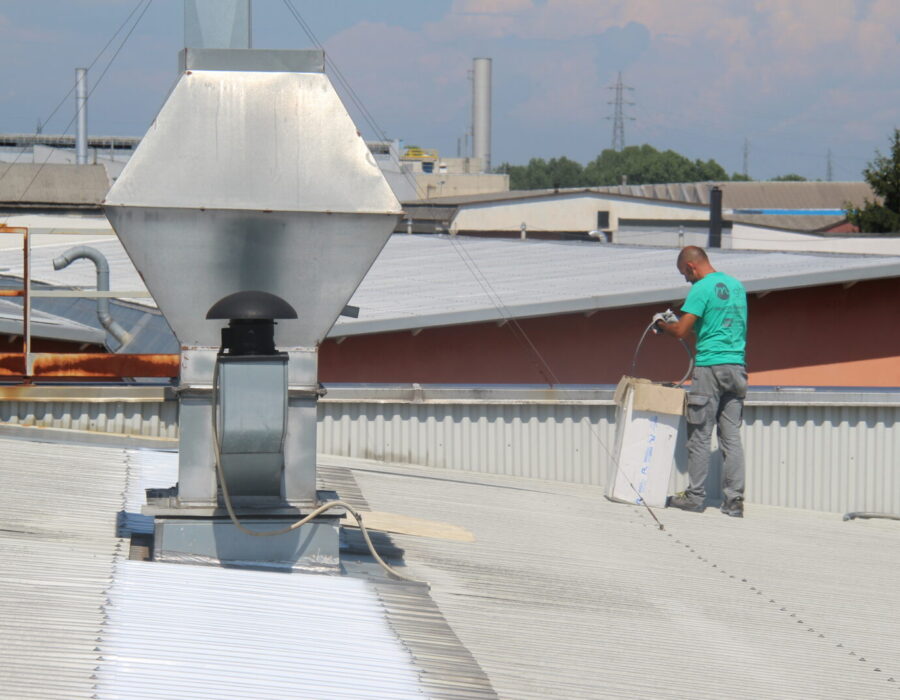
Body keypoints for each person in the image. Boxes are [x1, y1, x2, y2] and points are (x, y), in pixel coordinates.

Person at [653, 246, 748, 518]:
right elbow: (716, 325)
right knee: (731, 437)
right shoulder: (737, 286)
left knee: (700, 434)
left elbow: (682, 331)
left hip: (710, 368)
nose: (686, 279)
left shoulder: (701, 288)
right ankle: (734, 502)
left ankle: (695, 498)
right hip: (737, 367)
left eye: (685, 273)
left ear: (692, 267)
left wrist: (662, 324)